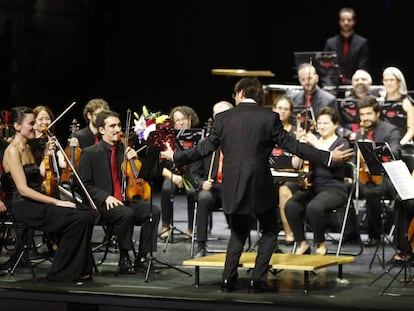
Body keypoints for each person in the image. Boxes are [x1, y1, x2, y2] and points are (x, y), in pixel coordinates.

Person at [160, 77, 353, 293]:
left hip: (232, 183)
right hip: (259, 182)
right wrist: (328, 157)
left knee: (238, 231)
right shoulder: (269, 117)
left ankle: (227, 280)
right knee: (270, 230)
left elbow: (203, 148)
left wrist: (175, 156)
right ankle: (257, 281)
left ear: (240, 93)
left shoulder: (223, 118)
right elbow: (295, 146)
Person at [1, 106, 95, 283]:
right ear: (17, 126)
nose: (35, 127)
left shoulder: (29, 147)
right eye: (31, 123)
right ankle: (61, 273)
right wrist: (57, 203)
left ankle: (81, 269)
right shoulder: (13, 151)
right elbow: (23, 189)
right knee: (78, 219)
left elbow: (38, 177)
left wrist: (46, 155)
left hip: (35, 200)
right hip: (22, 205)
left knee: (86, 213)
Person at [77, 109, 161, 274]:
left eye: (119, 125)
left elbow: (141, 175)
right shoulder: (90, 153)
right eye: (112, 126)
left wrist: (135, 158)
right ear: (102, 130)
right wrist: (104, 196)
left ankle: (143, 257)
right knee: (126, 214)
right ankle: (124, 257)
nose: (118, 129)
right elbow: (81, 184)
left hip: (126, 200)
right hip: (102, 205)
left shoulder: (124, 151)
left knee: (152, 211)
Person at [285, 107, 349, 255]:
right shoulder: (312, 141)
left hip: (335, 189)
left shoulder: (342, 143)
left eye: (326, 123)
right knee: (291, 205)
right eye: (319, 123)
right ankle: (302, 243)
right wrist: (299, 146)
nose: (321, 126)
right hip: (313, 188)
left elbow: (332, 161)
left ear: (336, 124)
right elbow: (295, 165)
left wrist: (315, 143)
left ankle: (320, 244)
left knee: (314, 207)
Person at [355, 96, 401, 247]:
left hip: (386, 178)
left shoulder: (390, 130)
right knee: (341, 189)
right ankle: (350, 234)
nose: (365, 118)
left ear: (377, 113)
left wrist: (373, 148)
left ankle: (375, 235)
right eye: (362, 114)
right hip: (364, 177)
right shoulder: (360, 132)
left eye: (368, 114)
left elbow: (395, 153)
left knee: (371, 192)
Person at [190, 100, 233, 258]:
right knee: (203, 197)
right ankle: (201, 245)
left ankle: (238, 243)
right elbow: (193, 173)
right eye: (216, 114)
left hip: (232, 189)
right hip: (213, 189)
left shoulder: (239, 143)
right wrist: (202, 183)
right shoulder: (205, 143)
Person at [159, 105, 200, 239]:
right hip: (173, 175)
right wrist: (174, 177)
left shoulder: (198, 139)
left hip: (192, 175)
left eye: (184, 119)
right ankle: (165, 225)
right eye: (177, 120)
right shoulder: (167, 140)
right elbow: (159, 165)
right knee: (166, 189)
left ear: (190, 119)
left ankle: (191, 228)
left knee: (193, 192)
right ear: (172, 123)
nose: (181, 122)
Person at [270, 96, 300, 245]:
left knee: (284, 190)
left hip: (290, 175)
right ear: (274, 109)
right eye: (279, 108)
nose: (282, 111)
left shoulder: (295, 132)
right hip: (270, 173)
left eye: (286, 109)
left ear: (290, 112)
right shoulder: (267, 130)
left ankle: (288, 233)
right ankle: (267, 232)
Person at [323, 7, 369, 86]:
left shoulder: (362, 42)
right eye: (343, 20)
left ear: (354, 21)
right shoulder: (330, 43)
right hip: (333, 85)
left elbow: (362, 67)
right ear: (339, 22)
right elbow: (325, 67)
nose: (346, 22)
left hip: (355, 85)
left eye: (349, 20)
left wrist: (354, 82)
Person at [291, 63, 338, 130]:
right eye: (303, 79)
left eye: (309, 78)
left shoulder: (329, 100)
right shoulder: (294, 99)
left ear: (316, 78)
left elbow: (336, 125)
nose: (307, 82)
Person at [337, 69, 376, 143]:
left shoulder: (377, 102)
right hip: (349, 140)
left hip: (373, 138)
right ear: (352, 83)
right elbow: (337, 125)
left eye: (363, 79)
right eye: (356, 80)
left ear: (370, 82)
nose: (360, 82)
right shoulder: (344, 103)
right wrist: (348, 134)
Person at [379, 67, 414, 146]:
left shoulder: (407, 102)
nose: (388, 83)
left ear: (399, 82)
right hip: (382, 144)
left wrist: (399, 144)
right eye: (386, 80)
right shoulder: (380, 102)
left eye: (392, 80)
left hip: (402, 144)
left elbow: (411, 129)